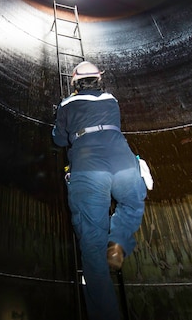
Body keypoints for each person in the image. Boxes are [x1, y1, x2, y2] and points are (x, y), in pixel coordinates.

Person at [52, 61, 148, 320]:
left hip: (89, 168)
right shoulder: (111, 99)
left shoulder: (66, 104)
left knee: (92, 247)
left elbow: (59, 139)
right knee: (132, 203)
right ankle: (118, 242)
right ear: (98, 80)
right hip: (123, 163)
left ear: (74, 82)